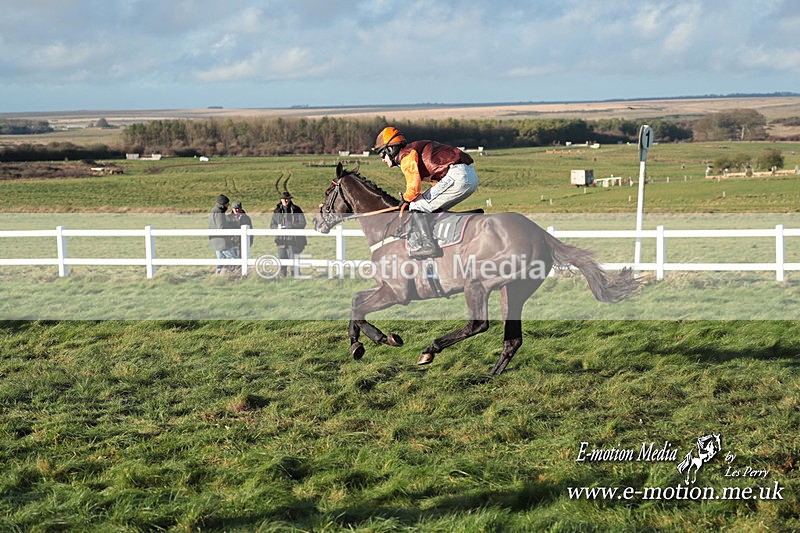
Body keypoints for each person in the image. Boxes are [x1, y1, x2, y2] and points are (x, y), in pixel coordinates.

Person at [373, 126, 479, 258]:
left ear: (390, 149)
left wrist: (406, 199)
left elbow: (413, 186)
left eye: (382, 154)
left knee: (417, 205)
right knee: (430, 206)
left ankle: (428, 245)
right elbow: (436, 180)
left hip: (458, 176)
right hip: (468, 175)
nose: (382, 159)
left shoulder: (405, 155)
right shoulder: (412, 150)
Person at [270, 191, 307, 277]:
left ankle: (296, 276)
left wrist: (291, 226)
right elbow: (272, 225)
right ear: (281, 200)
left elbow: (303, 223)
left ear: (290, 199)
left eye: (287, 199)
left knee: (294, 259)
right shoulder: (277, 211)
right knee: (282, 259)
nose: (285, 200)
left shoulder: (296, 209)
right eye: (284, 199)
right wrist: (278, 228)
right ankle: (282, 277)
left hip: (294, 239)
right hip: (281, 240)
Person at [208, 194, 239, 274]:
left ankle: (218, 276)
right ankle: (234, 275)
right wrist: (233, 228)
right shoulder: (219, 211)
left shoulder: (213, 210)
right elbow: (221, 226)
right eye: (227, 204)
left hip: (216, 240)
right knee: (233, 259)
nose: (228, 206)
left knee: (220, 261)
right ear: (223, 203)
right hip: (222, 241)